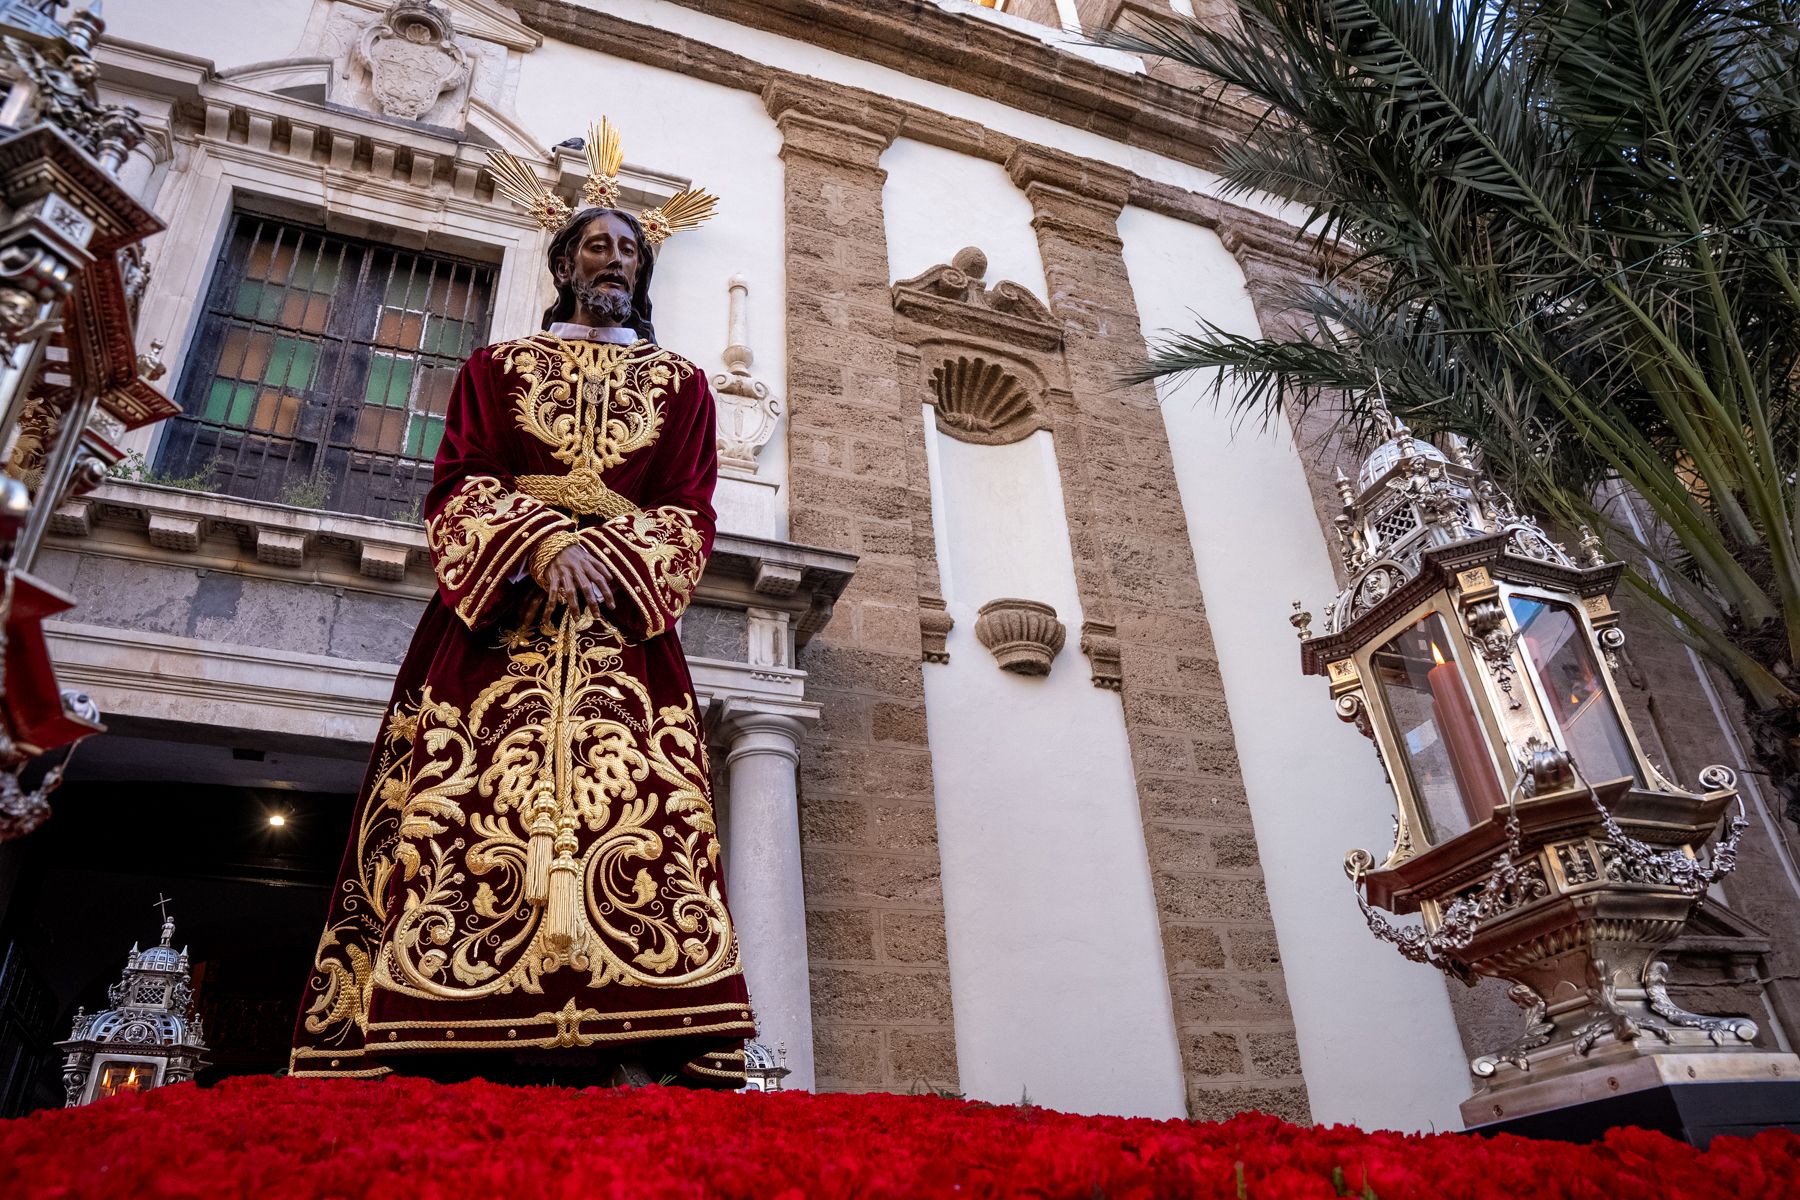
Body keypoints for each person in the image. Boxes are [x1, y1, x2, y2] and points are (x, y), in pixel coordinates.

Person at [289, 127, 750, 1087]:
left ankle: (644, 1025)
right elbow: (457, 481)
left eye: (628, 248)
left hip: (624, 631)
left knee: (646, 808)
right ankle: (442, 1017)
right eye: (597, 245)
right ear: (564, 261)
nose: (613, 260)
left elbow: (690, 506)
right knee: (455, 804)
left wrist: (612, 557)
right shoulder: (496, 368)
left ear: (645, 269)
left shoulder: (685, 385)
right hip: (497, 625)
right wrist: (540, 543)